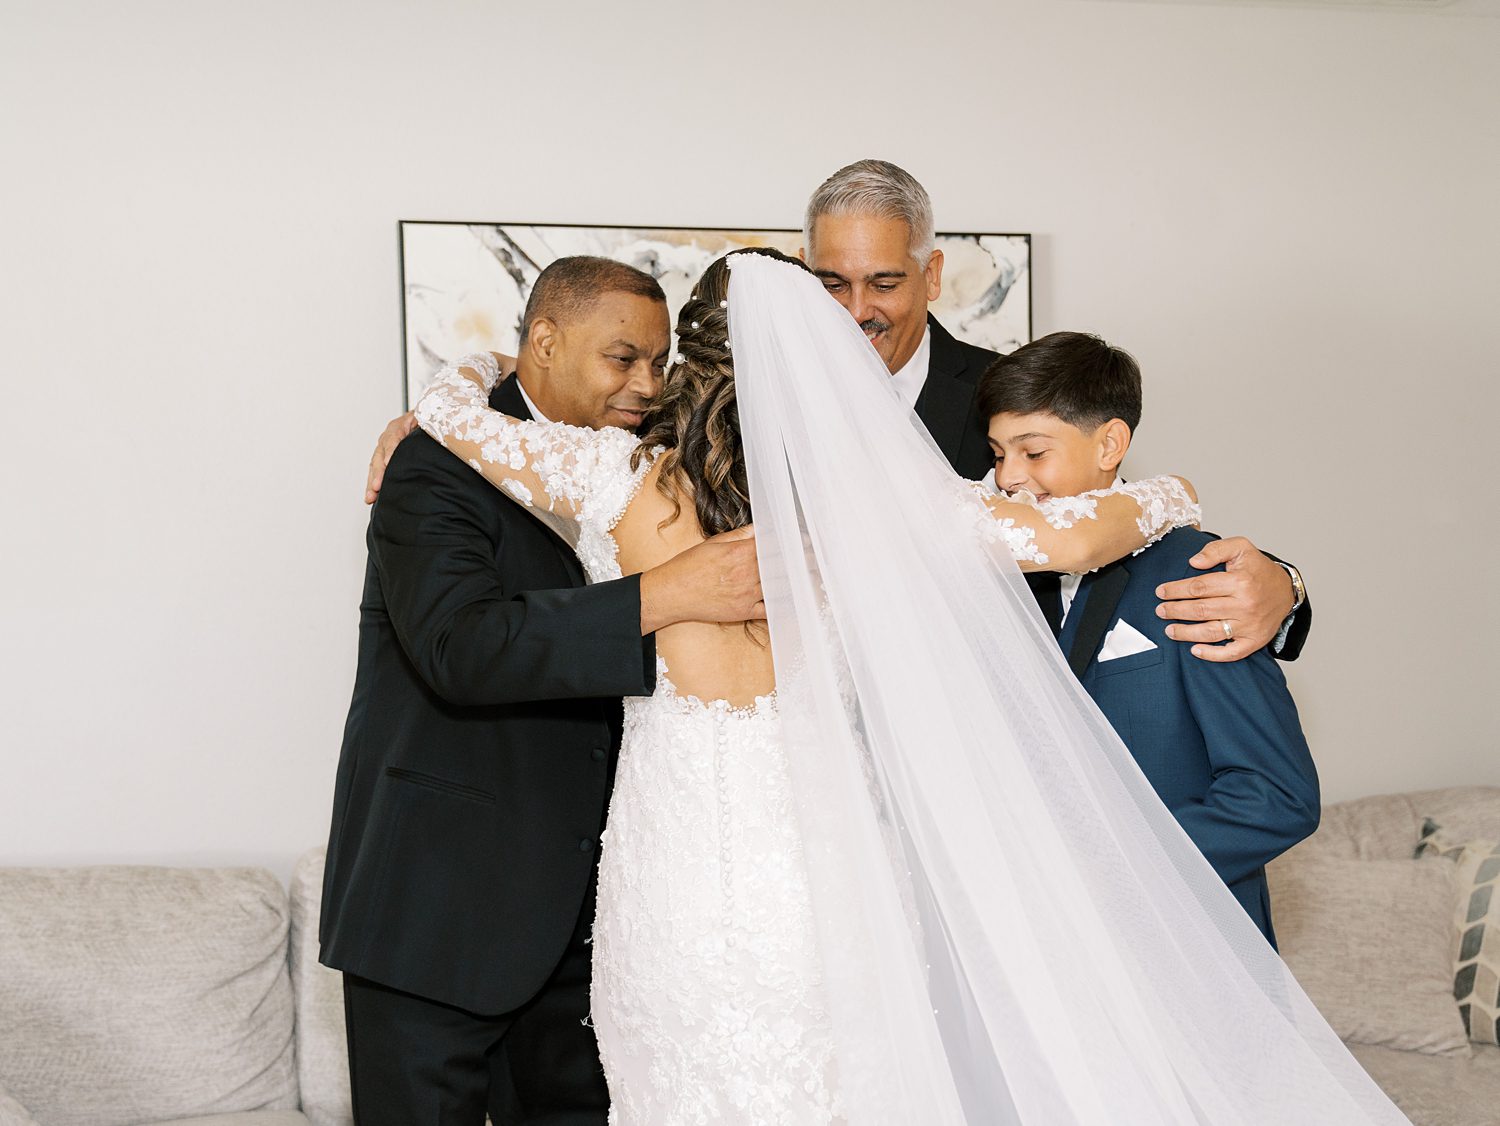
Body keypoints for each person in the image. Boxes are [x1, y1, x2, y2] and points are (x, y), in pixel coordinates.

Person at [406, 247, 1406, 1124]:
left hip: (671, 888)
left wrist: (482, 364)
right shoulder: (882, 511)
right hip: (827, 881)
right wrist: (1172, 492)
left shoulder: (614, 479)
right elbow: (1080, 530)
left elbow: (451, 420)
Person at [319, 257, 766, 1125]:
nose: (646, 383)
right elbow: (462, 647)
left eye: (659, 362)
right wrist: (667, 594)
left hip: (599, 921)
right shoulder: (433, 465)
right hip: (438, 909)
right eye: (623, 358)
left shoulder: (660, 470)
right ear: (545, 341)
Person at [799, 158, 1311, 664]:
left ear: (932, 276)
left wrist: (1284, 589)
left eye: (884, 285)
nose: (857, 311)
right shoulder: (741, 407)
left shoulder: (1004, 394)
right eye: (832, 285)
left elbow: (1111, 517)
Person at [978, 331, 1320, 945]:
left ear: (1110, 442)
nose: (1009, 479)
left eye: (1033, 453)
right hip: (1032, 951)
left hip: (1185, 946)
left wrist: (1116, 877)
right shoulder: (988, 571)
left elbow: (1277, 795)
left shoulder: (1197, 574)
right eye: (999, 453)